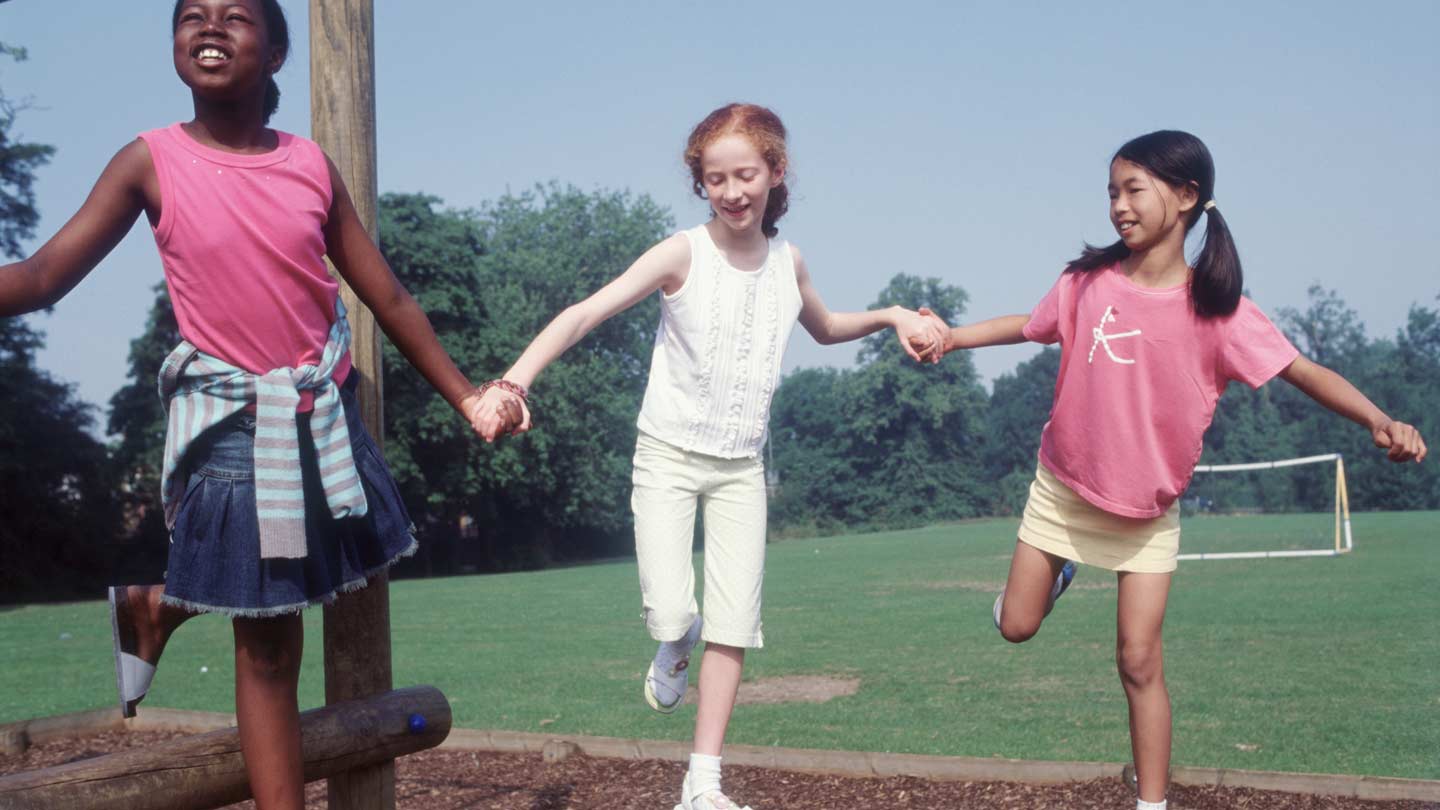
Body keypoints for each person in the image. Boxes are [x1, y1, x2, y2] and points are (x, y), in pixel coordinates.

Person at [0, 2, 509, 807]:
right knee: (270, 646)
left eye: (235, 16)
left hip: (322, 422)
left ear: (274, 52)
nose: (209, 26)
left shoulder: (307, 165)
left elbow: (391, 298)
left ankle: (154, 608)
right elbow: (38, 277)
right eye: (192, 15)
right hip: (237, 429)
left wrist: (468, 396)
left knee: (300, 595)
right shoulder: (149, 161)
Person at [917, 130, 1426, 810]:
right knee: (1015, 625)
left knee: (1138, 661)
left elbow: (1304, 371)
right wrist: (954, 335)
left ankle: (1151, 804)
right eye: (1111, 192)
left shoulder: (1219, 313)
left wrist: (1378, 419)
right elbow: (1028, 326)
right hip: (1064, 491)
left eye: (1133, 190)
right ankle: (1063, 569)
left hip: (1147, 513)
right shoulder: (1087, 283)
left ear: (1186, 197)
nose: (1117, 206)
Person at [474, 102, 944, 810]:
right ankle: (672, 640)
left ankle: (703, 784)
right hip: (666, 457)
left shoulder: (791, 263)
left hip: (740, 469)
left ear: (776, 173)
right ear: (702, 184)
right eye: (715, 178)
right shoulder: (682, 253)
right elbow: (585, 313)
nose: (731, 192)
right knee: (674, 615)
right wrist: (514, 381)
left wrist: (891, 315)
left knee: (735, 623)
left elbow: (824, 326)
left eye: (745, 175)